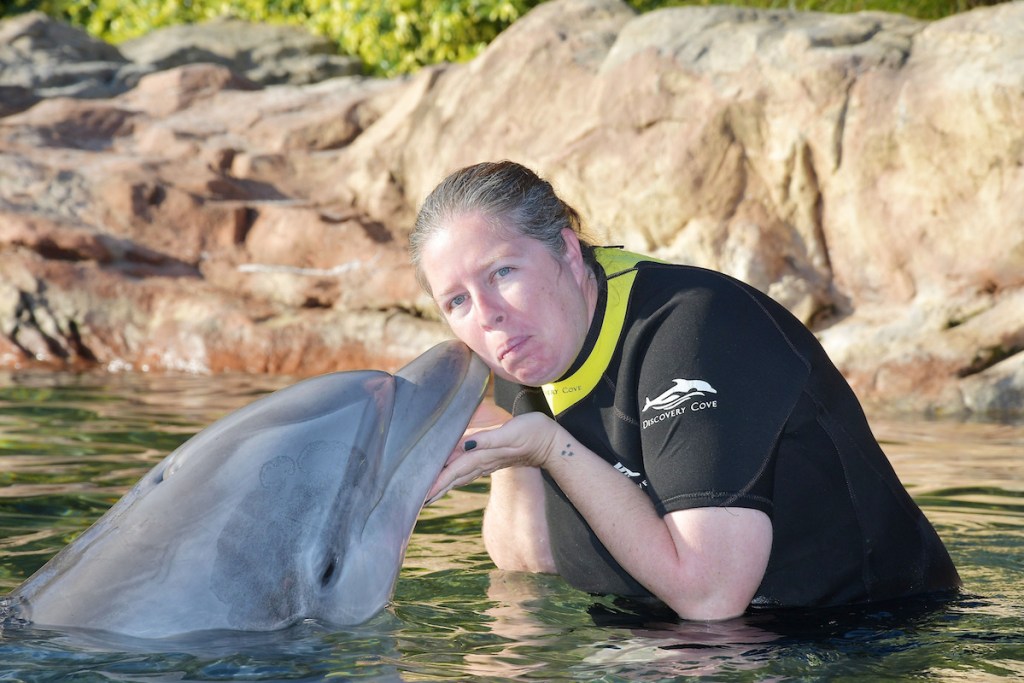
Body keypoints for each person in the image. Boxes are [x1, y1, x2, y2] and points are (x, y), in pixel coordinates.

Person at [410, 160, 961, 621]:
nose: (488, 317)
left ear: (568, 252)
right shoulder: (533, 350)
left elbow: (711, 595)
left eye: (503, 271)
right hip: (683, 646)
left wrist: (551, 449)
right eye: (456, 301)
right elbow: (530, 567)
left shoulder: (694, 329)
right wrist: (512, 451)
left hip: (866, 641)